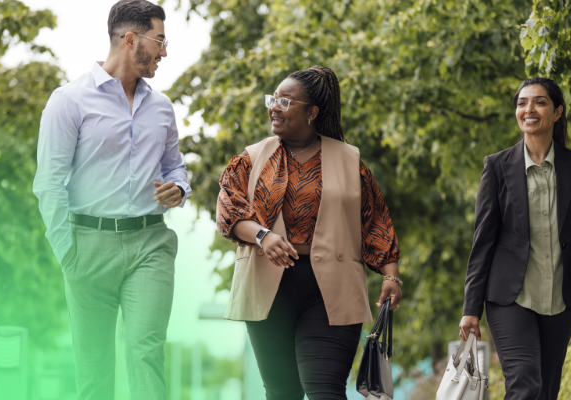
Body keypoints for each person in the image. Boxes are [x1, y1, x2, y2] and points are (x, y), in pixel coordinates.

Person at [33, 1, 190, 398]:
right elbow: (48, 183)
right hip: (88, 246)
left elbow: (175, 168)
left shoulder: (162, 108)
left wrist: (179, 188)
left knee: (146, 353)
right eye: (160, 40)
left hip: (150, 245)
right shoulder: (69, 101)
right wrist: (67, 252)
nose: (165, 52)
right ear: (130, 39)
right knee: (94, 369)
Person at [216, 66, 402, 399]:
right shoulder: (251, 157)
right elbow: (229, 209)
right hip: (267, 285)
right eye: (273, 99)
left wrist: (391, 275)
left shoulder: (349, 160)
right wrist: (263, 236)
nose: (274, 107)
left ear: (312, 112)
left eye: (285, 101)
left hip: (331, 287)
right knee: (281, 392)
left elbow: (374, 219)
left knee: (325, 391)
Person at [459, 77, 571, 400]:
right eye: (521, 102)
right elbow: (483, 241)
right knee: (525, 383)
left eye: (539, 102)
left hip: (562, 296)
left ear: (557, 112)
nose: (528, 109)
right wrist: (471, 308)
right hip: (509, 297)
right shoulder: (497, 167)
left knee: (546, 390)